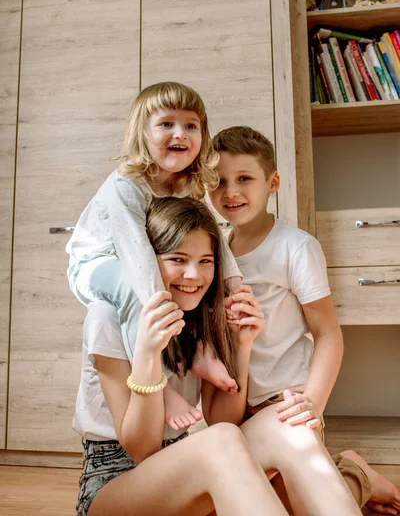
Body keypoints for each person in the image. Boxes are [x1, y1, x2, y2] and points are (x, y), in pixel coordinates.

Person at [74, 196, 363, 516]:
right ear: (146, 261)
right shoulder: (107, 317)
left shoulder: (200, 314)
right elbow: (142, 449)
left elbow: (223, 418)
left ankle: (354, 478)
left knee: (287, 423)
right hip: (115, 481)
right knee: (221, 441)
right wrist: (147, 355)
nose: (193, 275)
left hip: (189, 473)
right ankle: (355, 476)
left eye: (205, 261)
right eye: (177, 259)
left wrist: (241, 345)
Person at [208, 124, 400, 515]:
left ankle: (356, 473)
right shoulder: (214, 251)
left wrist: (312, 402)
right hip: (236, 403)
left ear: (273, 182)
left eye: (245, 178)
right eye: (219, 181)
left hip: (286, 400)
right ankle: (350, 470)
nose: (230, 191)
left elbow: (327, 334)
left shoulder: (295, 247)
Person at [67, 82, 242, 431]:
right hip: (96, 264)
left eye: (191, 125)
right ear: (142, 132)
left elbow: (215, 239)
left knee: (187, 283)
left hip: (139, 264)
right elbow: (134, 251)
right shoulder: (126, 184)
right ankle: (157, 388)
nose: (181, 133)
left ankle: (198, 351)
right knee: (142, 290)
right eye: (167, 124)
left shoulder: (184, 187)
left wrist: (234, 285)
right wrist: (157, 301)